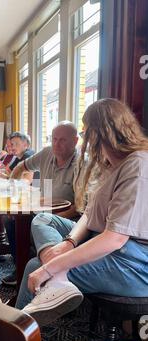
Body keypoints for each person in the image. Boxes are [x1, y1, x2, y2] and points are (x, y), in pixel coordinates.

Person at [16, 98, 148, 328]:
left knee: (35, 268)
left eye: (86, 133)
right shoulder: (113, 164)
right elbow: (88, 214)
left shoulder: (137, 166)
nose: (85, 140)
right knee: (43, 218)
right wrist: (68, 243)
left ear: (99, 133)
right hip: (110, 245)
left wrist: (49, 267)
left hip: (134, 266)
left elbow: (114, 238)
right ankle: (58, 282)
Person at [3, 125, 78, 286]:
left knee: (32, 224)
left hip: (68, 217)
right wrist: (12, 188)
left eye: (63, 140)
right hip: (43, 209)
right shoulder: (46, 153)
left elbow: (80, 207)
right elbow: (21, 167)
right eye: (54, 139)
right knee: (10, 219)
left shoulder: (82, 163)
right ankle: (20, 266)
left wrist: (48, 217)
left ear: (75, 141)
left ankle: (42, 268)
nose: (57, 144)